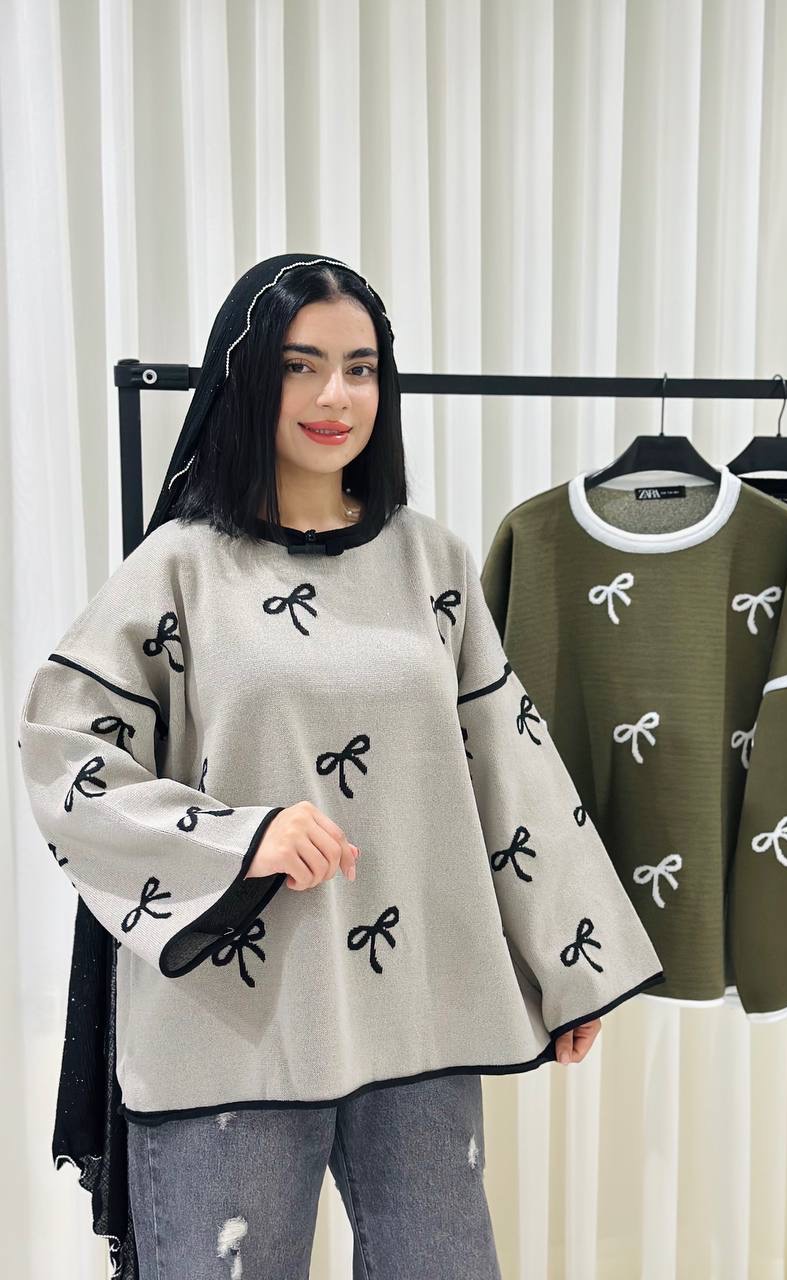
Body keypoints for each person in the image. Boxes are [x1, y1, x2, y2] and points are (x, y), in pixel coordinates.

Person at [17, 253, 664, 1278]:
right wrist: (240, 839)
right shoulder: (179, 567)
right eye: (301, 365)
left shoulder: (430, 561)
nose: (336, 397)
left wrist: (569, 965)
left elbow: (507, 759)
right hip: (233, 1029)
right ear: (246, 380)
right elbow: (64, 750)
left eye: (360, 368)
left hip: (419, 1011)